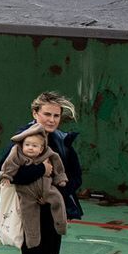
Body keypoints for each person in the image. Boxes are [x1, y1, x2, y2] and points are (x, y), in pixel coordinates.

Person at [23, 90, 84, 221]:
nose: (51, 120)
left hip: (54, 209)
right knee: (32, 242)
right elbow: (8, 172)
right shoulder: (22, 139)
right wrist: (41, 170)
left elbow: (76, 176)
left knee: (53, 242)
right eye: (47, 114)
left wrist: (58, 194)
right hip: (28, 209)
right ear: (35, 113)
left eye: (56, 116)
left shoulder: (63, 140)